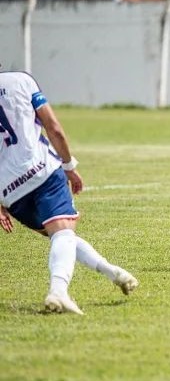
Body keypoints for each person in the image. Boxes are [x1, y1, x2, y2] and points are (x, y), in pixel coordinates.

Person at [0, 70, 139, 315]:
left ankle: (112, 271)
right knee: (63, 231)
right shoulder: (21, 80)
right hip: (41, 170)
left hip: (8, 190)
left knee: (60, 236)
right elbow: (53, 127)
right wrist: (69, 166)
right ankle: (58, 291)